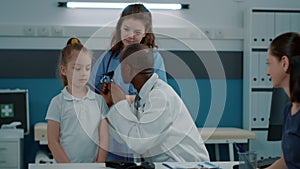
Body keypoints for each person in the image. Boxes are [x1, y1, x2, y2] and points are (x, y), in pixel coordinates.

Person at [100, 43, 210, 162]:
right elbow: (127, 136)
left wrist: (119, 102)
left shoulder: (160, 97)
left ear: (127, 68)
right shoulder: (143, 97)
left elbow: (139, 143)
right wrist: (112, 105)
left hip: (185, 164)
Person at [89, 3, 167, 161]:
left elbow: (158, 96)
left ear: (146, 33)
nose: (131, 35)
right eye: (126, 29)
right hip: (112, 131)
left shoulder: (154, 59)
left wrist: (122, 99)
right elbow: (93, 93)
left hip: (141, 129)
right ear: (119, 28)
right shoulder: (108, 58)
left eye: (137, 32)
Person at [46, 37, 109, 163]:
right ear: (64, 70)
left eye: (87, 68)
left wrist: (98, 165)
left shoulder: (99, 101)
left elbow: (104, 139)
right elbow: (53, 141)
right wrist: (69, 167)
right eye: (77, 68)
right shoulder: (58, 102)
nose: (83, 73)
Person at [265, 32, 300, 169]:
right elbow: (286, 161)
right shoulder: (288, 110)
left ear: (284, 63)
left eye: (269, 63)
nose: (267, 72)